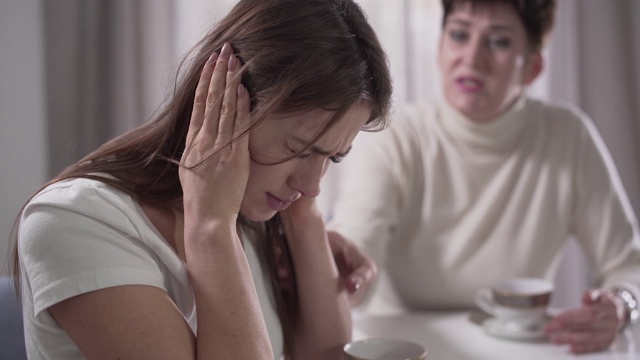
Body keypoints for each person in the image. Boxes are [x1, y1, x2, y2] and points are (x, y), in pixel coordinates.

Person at [10, 0, 392, 358]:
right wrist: (210, 227)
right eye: (299, 148)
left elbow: (327, 355)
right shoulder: (74, 223)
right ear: (225, 101)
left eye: (332, 156)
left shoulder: (254, 215)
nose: (313, 184)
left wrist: (303, 219)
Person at [328, 0, 640, 354]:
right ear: (441, 47)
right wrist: (338, 272)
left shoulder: (568, 137)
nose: (472, 58)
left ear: (533, 67)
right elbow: (356, 249)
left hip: (518, 350)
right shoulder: (397, 137)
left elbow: (629, 264)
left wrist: (622, 304)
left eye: (499, 42)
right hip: (408, 349)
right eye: (459, 35)